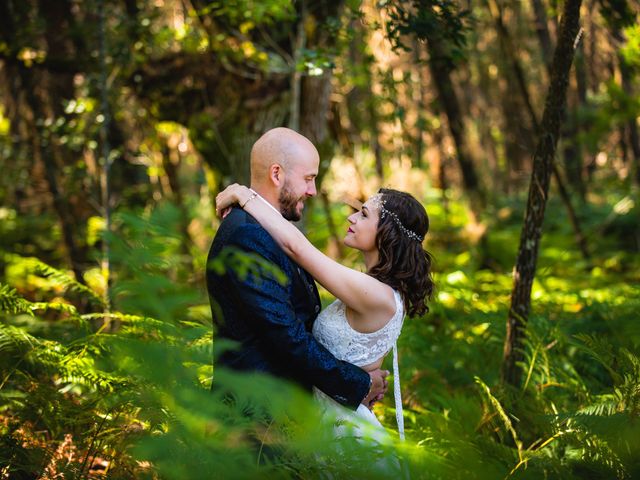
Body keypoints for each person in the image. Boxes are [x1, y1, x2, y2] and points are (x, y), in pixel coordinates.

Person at [215, 161, 434, 441]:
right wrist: (365, 380)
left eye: (364, 215)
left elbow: (296, 247)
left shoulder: (374, 293)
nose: (352, 219)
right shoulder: (379, 290)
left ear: (386, 232)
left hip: (340, 431)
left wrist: (244, 196)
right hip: (320, 419)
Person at [206, 128, 389, 419]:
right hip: (256, 422)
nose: (313, 191)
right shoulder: (246, 235)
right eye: (309, 178)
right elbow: (287, 335)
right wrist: (359, 384)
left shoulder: (265, 229)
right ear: (276, 174)